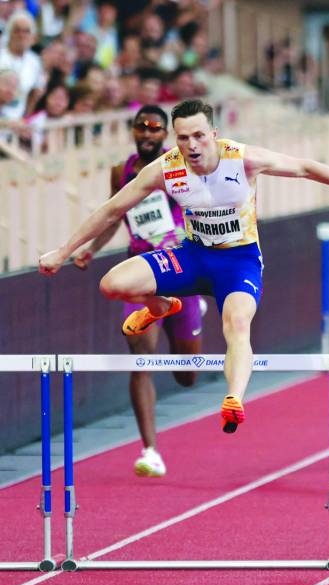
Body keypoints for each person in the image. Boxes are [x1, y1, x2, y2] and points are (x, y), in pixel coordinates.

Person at [39, 98, 329, 433]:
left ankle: (234, 397)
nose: (191, 145)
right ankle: (160, 305)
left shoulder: (242, 158)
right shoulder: (165, 168)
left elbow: (305, 168)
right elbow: (112, 210)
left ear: (214, 134)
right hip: (193, 255)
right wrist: (63, 250)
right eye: (182, 138)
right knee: (112, 283)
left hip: (238, 262)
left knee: (237, 324)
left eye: (198, 136)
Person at [72, 105, 204, 477]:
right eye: (140, 128)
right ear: (132, 131)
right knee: (141, 359)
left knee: (186, 375)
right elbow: (114, 213)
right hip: (140, 270)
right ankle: (150, 450)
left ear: (165, 134)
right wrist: (91, 249)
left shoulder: (181, 167)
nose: (146, 134)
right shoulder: (122, 172)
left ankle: (187, 315)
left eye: (154, 128)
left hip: (179, 270)